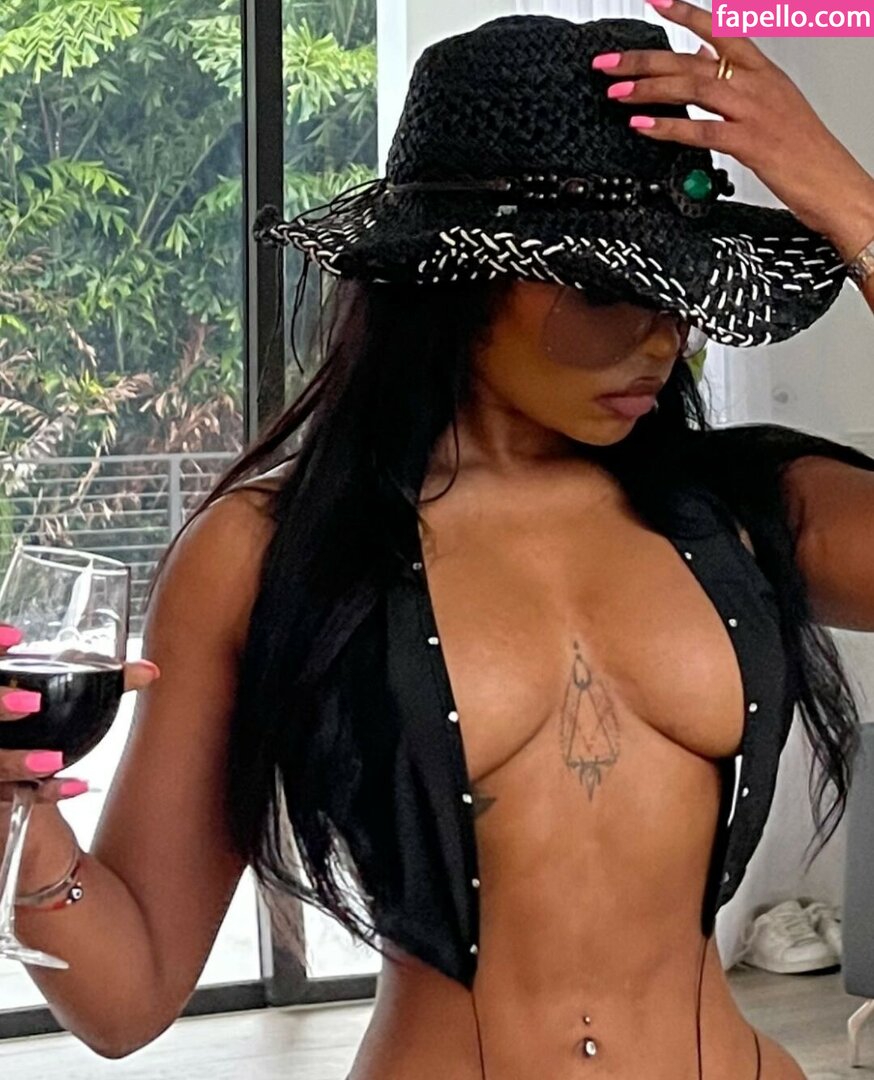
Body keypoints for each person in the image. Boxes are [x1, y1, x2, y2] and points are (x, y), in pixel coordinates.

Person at [2, 3, 874, 1078]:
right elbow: (125, 1000)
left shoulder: (752, 508)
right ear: (456, 276)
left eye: (678, 283)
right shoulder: (265, 551)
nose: (663, 336)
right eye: (608, 288)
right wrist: (16, 819)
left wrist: (848, 200)